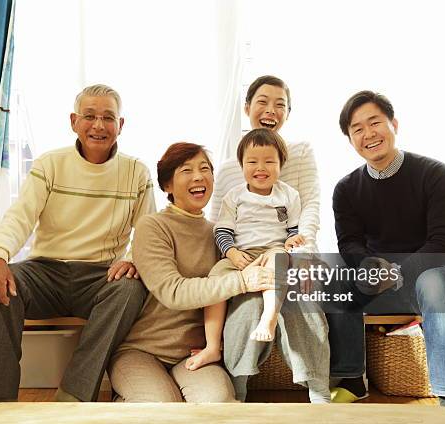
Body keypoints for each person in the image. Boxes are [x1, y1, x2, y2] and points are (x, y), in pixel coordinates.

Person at [0, 84, 155, 402]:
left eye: (108, 117)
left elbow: (146, 232)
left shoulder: (136, 172)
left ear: (121, 125)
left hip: (101, 276)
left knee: (131, 288)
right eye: (89, 116)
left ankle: (74, 392)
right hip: (45, 272)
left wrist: (132, 258)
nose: (98, 125)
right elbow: (20, 216)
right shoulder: (50, 164)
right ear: (74, 121)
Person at [332, 90, 445, 409]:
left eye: (375, 122)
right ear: (351, 139)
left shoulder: (434, 174)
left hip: (436, 275)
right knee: (339, 281)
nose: (368, 134)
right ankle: (352, 379)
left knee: (432, 282)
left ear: (394, 123)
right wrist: (368, 266)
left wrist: (396, 272)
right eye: (357, 129)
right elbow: (348, 243)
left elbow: (442, 241)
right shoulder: (346, 189)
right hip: (379, 281)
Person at [109, 142, 275, 403]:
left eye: (205, 169)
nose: (199, 176)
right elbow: (174, 292)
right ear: (167, 186)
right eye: (186, 170)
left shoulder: (221, 234)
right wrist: (242, 280)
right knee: (162, 406)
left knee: (219, 404)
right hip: (141, 350)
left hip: (194, 352)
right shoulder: (152, 226)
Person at [210, 75, 329, 403]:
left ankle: (318, 388)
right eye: (262, 101)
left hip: (283, 253)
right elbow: (217, 226)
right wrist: (232, 257)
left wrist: (298, 250)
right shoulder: (230, 175)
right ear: (247, 107)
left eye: (280, 104)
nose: (270, 110)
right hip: (243, 258)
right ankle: (239, 386)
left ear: (289, 113)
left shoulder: (297, 159)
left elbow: (306, 215)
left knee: (302, 302)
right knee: (245, 309)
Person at [213, 128, 306, 344]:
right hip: (241, 254)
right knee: (215, 278)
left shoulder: (289, 195)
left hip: (273, 250)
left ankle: (268, 318)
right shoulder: (234, 196)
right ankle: (212, 343)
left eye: (269, 162)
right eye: (252, 162)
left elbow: (293, 230)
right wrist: (232, 253)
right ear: (242, 165)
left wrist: (293, 241)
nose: (261, 168)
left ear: (281, 164)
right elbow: (222, 230)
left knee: (279, 261)